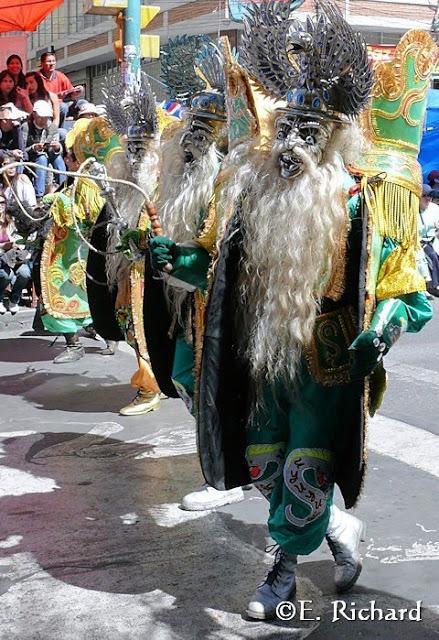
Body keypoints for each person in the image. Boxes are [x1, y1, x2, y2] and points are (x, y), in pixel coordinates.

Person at [150, 5, 434, 621]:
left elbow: (406, 290)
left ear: (336, 135)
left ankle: (281, 571)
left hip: (327, 365)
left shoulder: (371, 198)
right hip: (259, 354)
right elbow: (213, 273)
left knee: (306, 465)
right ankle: (339, 530)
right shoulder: (245, 189)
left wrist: (381, 332)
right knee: (263, 464)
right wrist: (174, 261)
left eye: (310, 131)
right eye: (288, 129)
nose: (293, 145)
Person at [145, 35, 252, 509]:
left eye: (206, 130)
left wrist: (183, 262)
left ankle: (230, 474)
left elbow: (221, 259)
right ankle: (223, 463)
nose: (192, 140)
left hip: (228, 312)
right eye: (191, 128)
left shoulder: (229, 186)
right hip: (192, 307)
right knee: (186, 377)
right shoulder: (179, 181)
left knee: (223, 387)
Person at [86, 74, 167, 415]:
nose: (134, 155)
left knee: (152, 329)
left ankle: (152, 385)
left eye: (141, 148)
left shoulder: (164, 186)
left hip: (155, 279)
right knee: (133, 328)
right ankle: (150, 381)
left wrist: (145, 240)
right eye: (130, 147)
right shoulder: (120, 188)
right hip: (126, 277)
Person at [39, 123, 105, 363]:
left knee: (79, 295)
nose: (66, 162)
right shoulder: (73, 181)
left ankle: (99, 340)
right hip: (66, 255)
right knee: (64, 295)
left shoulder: (88, 182)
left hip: (80, 254)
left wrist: (57, 201)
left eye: (69, 158)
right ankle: (74, 343)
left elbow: (90, 216)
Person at [25, 100, 66, 200]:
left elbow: (57, 150)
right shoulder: (26, 127)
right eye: (40, 117)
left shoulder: (51, 127)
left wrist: (56, 147)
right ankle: (39, 195)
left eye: (46, 118)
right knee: (42, 158)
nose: (43, 120)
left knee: (58, 159)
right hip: (33, 157)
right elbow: (23, 149)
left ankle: (64, 189)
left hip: (50, 155)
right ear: (34, 115)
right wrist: (34, 148)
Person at [0, 190, 32, 314]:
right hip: (2, 257)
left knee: (25, 273)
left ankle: (14, 299)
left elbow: (20, 238)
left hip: (14, 257)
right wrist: (5, 246)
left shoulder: (11, 221)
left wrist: (19, 245)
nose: (1, 205)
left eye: (3, 202)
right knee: (7, 275)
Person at [39, 52, 83, 126]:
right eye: (49, 61)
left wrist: (78, 91)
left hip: (62, 104)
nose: (52, 63)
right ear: (42, 63)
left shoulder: (60, 75)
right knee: (63, 107)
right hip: (46, 106)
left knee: (82, 103)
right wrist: (57, 96)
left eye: (53, 61)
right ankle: (58, 129)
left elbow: (71, 93)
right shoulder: (36, 77)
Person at [419, 184, 439, 297]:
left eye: (430, 195)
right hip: (420, 243)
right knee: (431, 255)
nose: (428, 198)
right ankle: (433, 286)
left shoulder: (435, 209)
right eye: (425, 195)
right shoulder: (412, 211)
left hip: (435, 238)